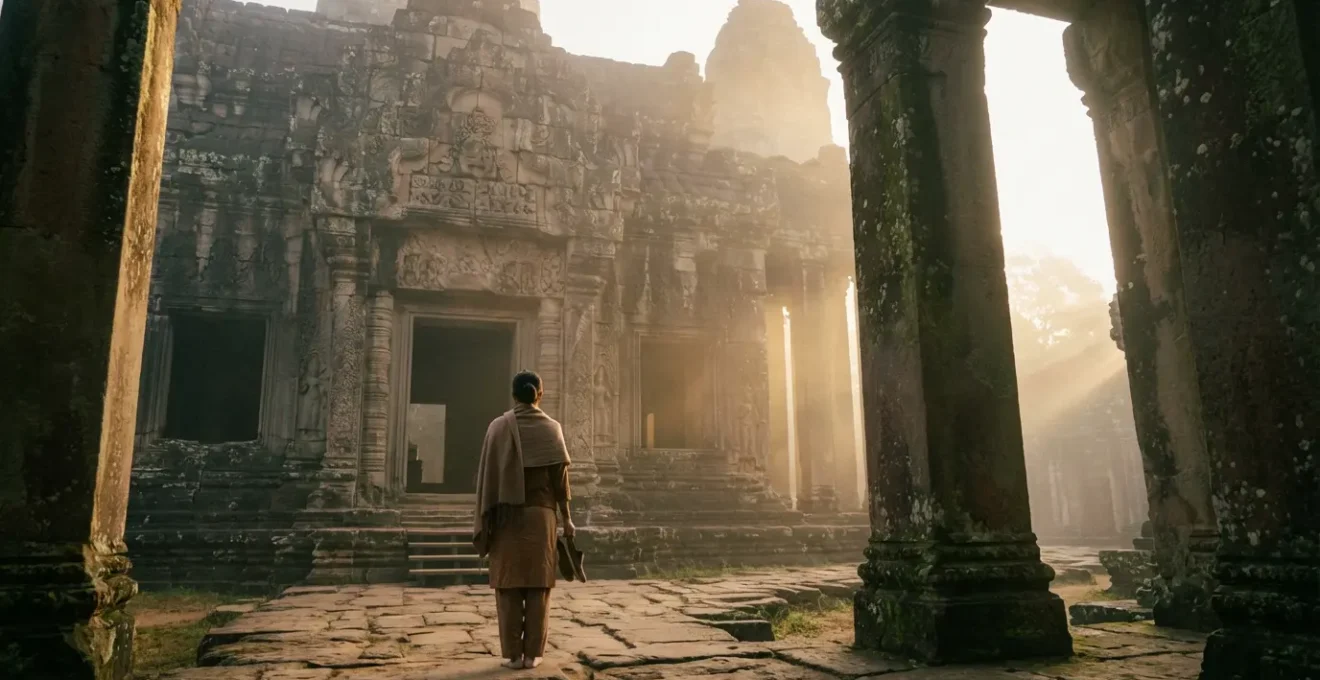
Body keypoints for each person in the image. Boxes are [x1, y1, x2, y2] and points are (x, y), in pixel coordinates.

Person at [473, 370, 575, 670]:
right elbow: (561, 483)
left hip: (507, 516)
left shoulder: (497, 428)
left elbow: (488, 478)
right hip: (541, 516)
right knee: (538, 585)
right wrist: (567, 519)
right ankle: (533, 655)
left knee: (508, 585)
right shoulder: (552, 429)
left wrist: (486, 516)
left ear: (513, 395)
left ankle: (512, 655)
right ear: (539, 394)